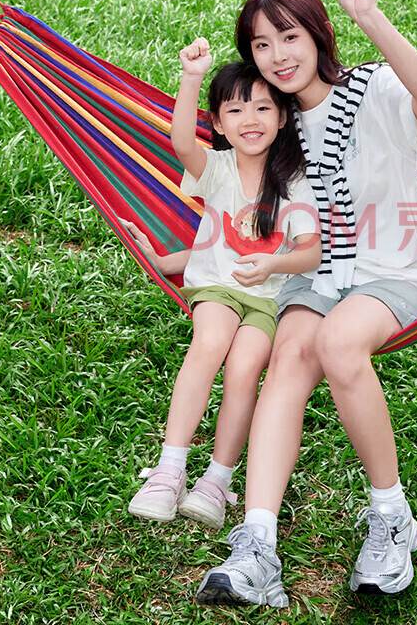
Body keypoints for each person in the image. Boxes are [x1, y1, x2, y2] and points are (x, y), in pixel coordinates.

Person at [195, 0, 417, 608]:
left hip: (398, 268)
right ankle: (257, 546)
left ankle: (391, 517)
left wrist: (370, 17)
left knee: (338, 343)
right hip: (320, 271)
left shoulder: (374, 87)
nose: (277, 56)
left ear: (317, 33)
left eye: (288, 36)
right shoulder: (273, 129)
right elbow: (222, 187)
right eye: (261, 45)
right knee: (288, 358)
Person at [124, 54, 320, 530]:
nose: (250, 119)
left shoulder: (296, 182)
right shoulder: (216, 168)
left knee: (245, 368)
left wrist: (274, 264)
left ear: (282, 118)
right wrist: (191, 78)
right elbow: (180, 143)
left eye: (263, 108)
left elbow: (310, 253)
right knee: (210, 341)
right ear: (218, 123)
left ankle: (216, 479)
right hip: (215, 287)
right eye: (235, 110)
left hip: (269, 299)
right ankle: (169, 469)